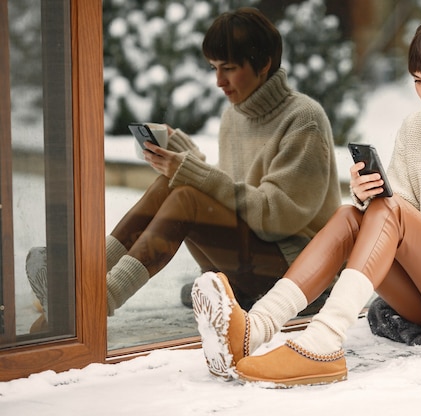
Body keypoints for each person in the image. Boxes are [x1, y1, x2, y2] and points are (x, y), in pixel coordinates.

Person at [192, 15, 421, 387]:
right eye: (418, 80)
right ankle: (256, 326)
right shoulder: (416, 130)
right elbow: (398, 218)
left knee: (388, 210)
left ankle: (322, 343)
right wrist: (368, 197)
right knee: (352, 215)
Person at [26, 7, 341, 322]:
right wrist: (189, 159)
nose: (219, 81)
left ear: (265, 65)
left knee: (187, 196)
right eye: (214, 68)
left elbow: (275, 218)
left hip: (299, 275)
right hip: (257, 261)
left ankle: (96, 302)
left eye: (229, 68)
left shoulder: (303, 120)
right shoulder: (235, 116)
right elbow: (236, 191)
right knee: (172, 183)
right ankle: (85, 275)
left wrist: (197, 174)